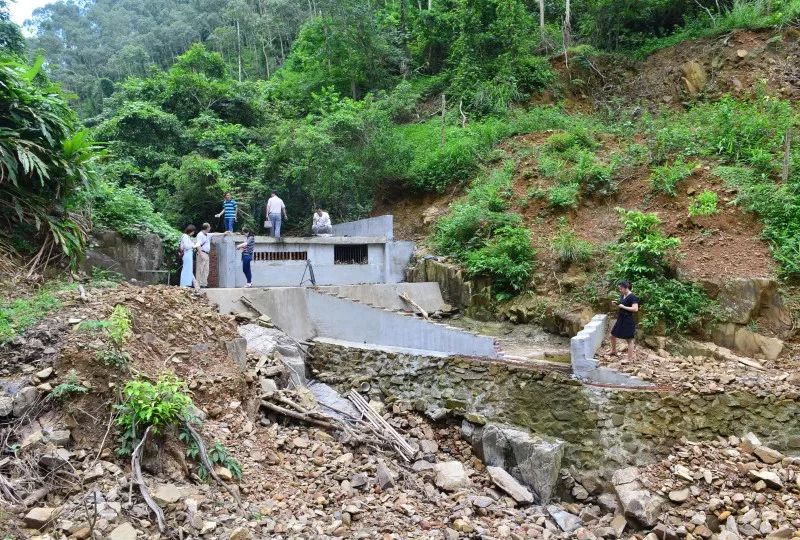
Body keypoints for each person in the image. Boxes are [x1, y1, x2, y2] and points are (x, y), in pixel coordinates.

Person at [610, 280, 639, 361]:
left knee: (629, 340)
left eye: (621, 288)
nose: (620, 290)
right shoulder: (623, 296)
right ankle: (613, 351)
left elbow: (635, 309)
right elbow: (622, 305)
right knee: (612, 335)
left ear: (626, 288)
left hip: (628, 320)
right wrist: (617, 304)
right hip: (620, 319)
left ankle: (629, 359)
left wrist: (622, 307)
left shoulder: (633, 297)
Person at [194, 223, 211, 288]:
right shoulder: (200, 235)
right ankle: (198, 284)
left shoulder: (207, 235)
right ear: (207, 228)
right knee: (200, 269)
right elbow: (198, 245)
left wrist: (225, 233)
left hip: (207, 254)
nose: (210, 228)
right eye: (209, 227)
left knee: (206, 270)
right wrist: (201, 254)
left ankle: (204, 283)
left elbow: (215, 233)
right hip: (202, 253)